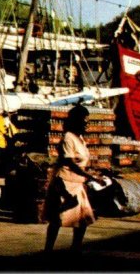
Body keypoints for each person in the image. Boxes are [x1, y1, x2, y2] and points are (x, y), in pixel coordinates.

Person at [44, 104, 99, 253]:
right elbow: (69, 162)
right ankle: (48, 250)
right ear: (77, 121)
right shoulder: (68, 138)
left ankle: (76, 248)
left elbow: (81, 161)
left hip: (77, 183)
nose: (87, 124)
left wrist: (91, 173)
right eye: (85, 121)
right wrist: (89, 176)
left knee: (83, 219)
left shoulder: (80, 138)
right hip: (64, 182)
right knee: (58, 219)